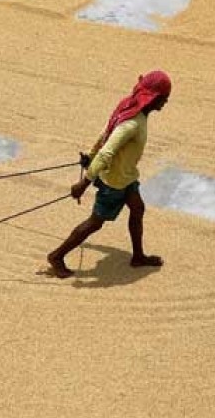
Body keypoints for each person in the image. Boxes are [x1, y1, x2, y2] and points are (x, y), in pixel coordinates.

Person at [48, 70, 171, 279]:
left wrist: (90, 154)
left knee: (137, 208)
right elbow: (108, 150)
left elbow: (105, 131)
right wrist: (84, 182)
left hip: (128, 176)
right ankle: (57, 256)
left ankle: (138, 256)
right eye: (165, 98)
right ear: (155, 97)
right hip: (114, 182)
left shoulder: (128, 107)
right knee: (95, 223)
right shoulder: (133, 123)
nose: (166, 102)